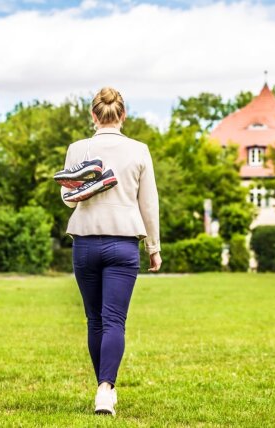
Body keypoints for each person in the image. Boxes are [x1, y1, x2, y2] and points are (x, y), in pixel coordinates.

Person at [60, 87, 162, 416]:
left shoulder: (77, 149)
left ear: (93, 115)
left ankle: (104, 389)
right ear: (123, 115)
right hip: (123, 244)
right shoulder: (139, 150)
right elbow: (149, 203)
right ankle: (105, 389)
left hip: (85, 243)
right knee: (114, 320)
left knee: (95, 320)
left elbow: (67, 195)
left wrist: (86, 187)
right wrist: (154, 248)